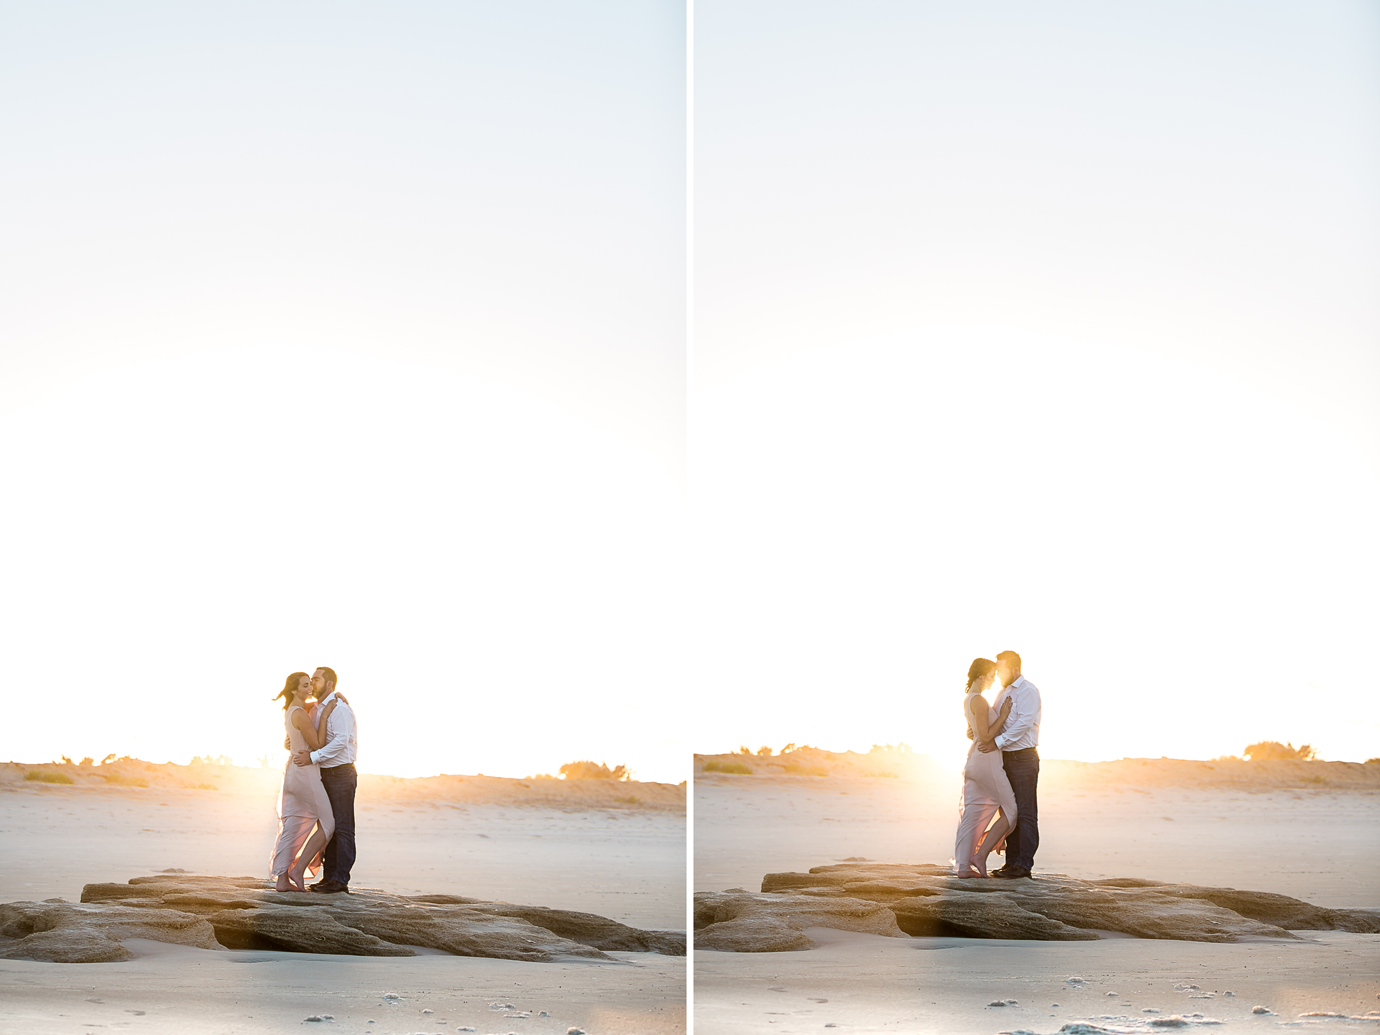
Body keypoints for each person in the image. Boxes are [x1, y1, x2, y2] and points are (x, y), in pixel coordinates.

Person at [269, 672, 339, 892]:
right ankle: (297, 869)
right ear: (294, 689)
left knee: (293, 825)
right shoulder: (299, 713)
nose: (310, 688)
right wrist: (326, 714)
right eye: (305, 685)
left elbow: (309, 708)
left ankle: (282, 880)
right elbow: (318, 744)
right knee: (328, 824)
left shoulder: (292, 710)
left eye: (311, 684)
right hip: (305, 774)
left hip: (293, 772)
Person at [291, 666, 357, 893]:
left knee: (343, 827)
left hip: (340, 772)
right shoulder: (316, 708)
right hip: (323, 773)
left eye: (316, 680)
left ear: (329, 684)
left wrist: (313, 757)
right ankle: (329, 877)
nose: (312, 683)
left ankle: (339, 880)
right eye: (310, 680)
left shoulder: (340, 708)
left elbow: (341, 741)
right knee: (328, 827)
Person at [976, 650, 1042, 879]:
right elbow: (996, 718)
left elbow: (1023, 724)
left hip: (1023, 758)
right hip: (1005, 758)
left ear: (1015, 669)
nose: (998, 672)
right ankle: (1011, 862)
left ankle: (1023, 865)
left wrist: (996, 742)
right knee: (1010, 811)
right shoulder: (1002, 693)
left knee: (1025, 812)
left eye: (1002, 668)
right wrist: (978, 731)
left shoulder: (1028, 691)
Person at [954, 657, 1016, 878]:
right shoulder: (979, 700)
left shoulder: (969, 699)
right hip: (986, 762)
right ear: (981, 675)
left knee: (973, 814)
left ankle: (962, 867)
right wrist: (1003, 716)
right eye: (991, 675)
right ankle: (980, 855)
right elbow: (985, 736)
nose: (993, 679)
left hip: (976, 762)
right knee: (1011, 811)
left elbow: (972, 732)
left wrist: (979, 730)